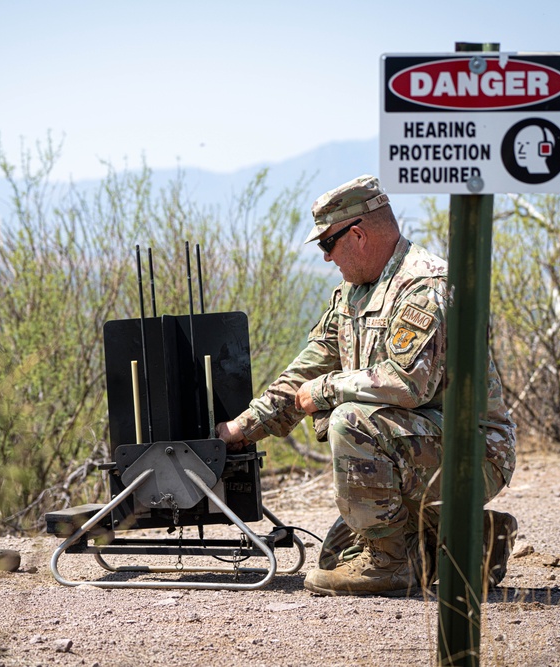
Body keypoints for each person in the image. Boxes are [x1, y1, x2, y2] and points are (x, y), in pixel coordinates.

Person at [216, 174, 517, 597]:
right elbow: (303, 372)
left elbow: (407, 383)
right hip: (418, 442)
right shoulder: (354, 294)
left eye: (327, 244)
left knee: (350, 420)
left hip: (475, 451)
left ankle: (388, 565)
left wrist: (325, 391)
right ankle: (469, 539)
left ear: (356, 234)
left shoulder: (425, 287)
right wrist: (241, 429)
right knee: (334, 558)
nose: (325, 258)